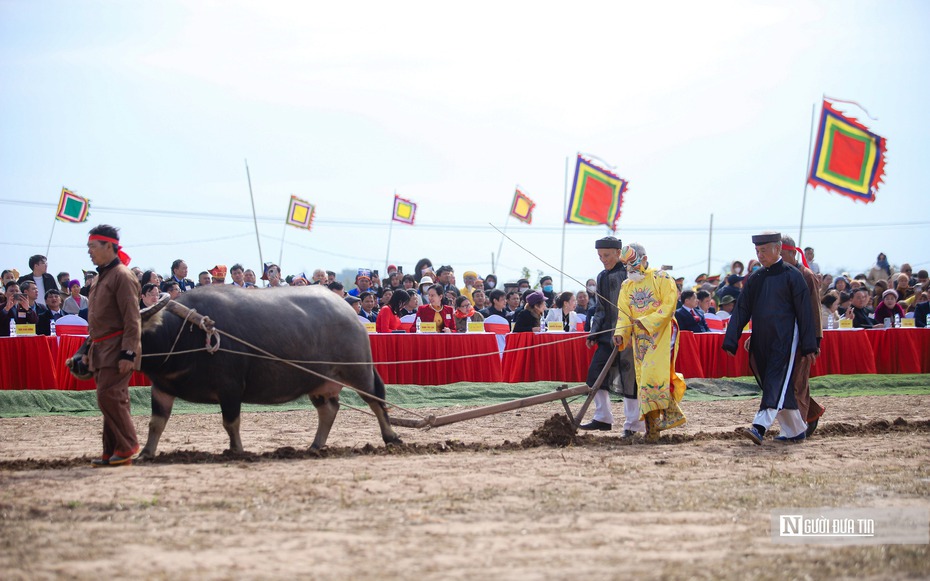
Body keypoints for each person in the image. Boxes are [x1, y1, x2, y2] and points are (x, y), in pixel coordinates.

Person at [723, 232, 817, 445]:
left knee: (776, 380)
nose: (760, 255)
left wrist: (810, 344)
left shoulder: (793, 276)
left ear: (777, 249)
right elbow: (742, 309)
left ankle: (759, 427)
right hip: (762, 340)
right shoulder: (756, 278)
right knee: (773, 383)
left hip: (786, 339)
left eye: (763, 250)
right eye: (757, 251)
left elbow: (805, 312)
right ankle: (795, 430)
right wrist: (731, 339)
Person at [79, 224, 142, 467]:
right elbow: (97, 320)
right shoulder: (100, 277)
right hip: (101, 348)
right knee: (109, 398)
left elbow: (132, 319)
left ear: (109, 246)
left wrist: (129, 352)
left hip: (118, 349)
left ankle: (127, 445)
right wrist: (86, 349)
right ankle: (111, 451)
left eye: (92, 246)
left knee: (109, 396)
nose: (89, 252)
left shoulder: (123, 276)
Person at [613, 243, 687, 443]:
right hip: (640, 337)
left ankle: (664, 420)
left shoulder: (662, 278)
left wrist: (646, 321)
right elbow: (624, 313)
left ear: (644, 259)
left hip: (661, 333)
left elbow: (669, 305)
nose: (630, 269)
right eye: (626, 265)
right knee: (644, 379)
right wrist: (621, 333)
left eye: (633, 263)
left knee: (652, 375)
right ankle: (659, 424)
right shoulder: (626, 286)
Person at [579, 236, 641, 437]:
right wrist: (594, 333)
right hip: (607, 334)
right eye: (599, 255)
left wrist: (625, 331)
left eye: (606, 255)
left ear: (618, 253)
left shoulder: (630, 275)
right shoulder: (601, 277)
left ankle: (634, 424)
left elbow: (634, 307)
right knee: (595, 374)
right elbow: (600, 308)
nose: (603, 259)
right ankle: (603, 418)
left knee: (629, 378)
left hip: (629, 336)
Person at [780, 235, 825, 437]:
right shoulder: (777, 275)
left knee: (797, 383)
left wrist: (814, 342)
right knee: (786, 382)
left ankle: (796, 430)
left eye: (781, 254)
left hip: (802, 338)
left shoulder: (806, 276)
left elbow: (814, 310)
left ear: (791, 252)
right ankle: (812, 413)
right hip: (781, 339)